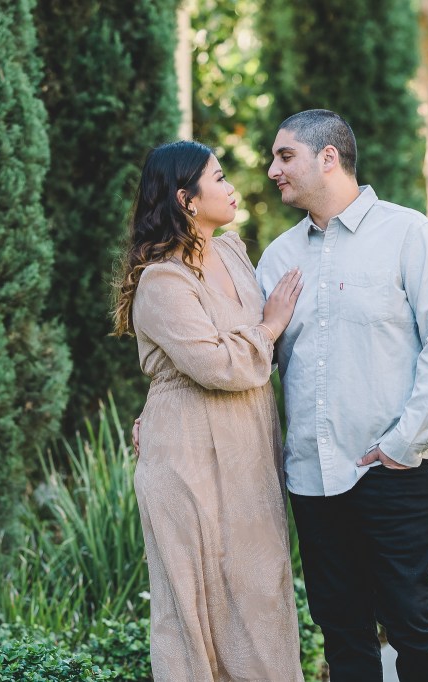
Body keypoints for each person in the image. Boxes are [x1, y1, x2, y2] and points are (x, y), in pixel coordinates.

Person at [256, 109, 428, 682]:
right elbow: (249, 362)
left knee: (412, 624)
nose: (272, 169)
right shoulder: (278, 258)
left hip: (396, 469)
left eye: (285, 156)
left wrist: (403, 443)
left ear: (328, 157)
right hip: (313, 478)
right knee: (342, 634)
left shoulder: (409, 235)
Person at [112, 140, 305, 681]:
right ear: (186, 199)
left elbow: (257, 355)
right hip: (187, 456)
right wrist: (269, 325)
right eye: (218, 178)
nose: (231, 187)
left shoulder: (234, 253)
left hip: (248, 448)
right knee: (194, 607)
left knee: (261, 592)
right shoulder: (162, 280)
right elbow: (218, 364)